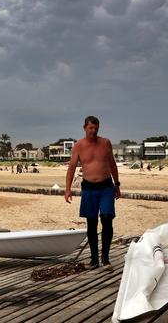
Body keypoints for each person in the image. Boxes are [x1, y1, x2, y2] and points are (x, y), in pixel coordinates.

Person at [65, 116, 120, 270]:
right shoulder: (79, 146)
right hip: (89, 188)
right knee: (91, 222)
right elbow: (71, 168)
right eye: (91, 128)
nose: (94, 131)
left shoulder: (105, 143)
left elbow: (112, 164)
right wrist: (68, 189)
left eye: (96, 128)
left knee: (107, 217)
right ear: (84, 128)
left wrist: (117, 184)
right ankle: (94, 259)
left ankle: (106, 258)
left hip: (106, 187)